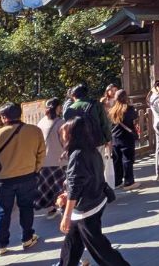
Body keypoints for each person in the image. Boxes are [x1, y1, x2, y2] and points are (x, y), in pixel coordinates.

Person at [57, 116, 130, 266]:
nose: (62, 135)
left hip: (85, 208)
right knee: (72, 243)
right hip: (95, 199)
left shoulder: (77, 155)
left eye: (65, 132)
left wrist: (66, 215)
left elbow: (75, 186)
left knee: (99, 248)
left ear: (73, 134)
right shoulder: (91, 149)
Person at [0, 102, 45, 256]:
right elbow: (41, 153)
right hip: (27, 176)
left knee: (3, 212)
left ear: (3, 117)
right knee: (26, 207)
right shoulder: (35, 131)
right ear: (20, 114)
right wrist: (35, 169)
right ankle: (27, 238)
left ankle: (0, 245)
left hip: (3, 180)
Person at [63, 83, 114, 190]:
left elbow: (67, 129)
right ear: (86, 94)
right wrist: (108, 140)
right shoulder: (96, 104)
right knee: (98, 166)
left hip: (78, 144)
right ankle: (99, 189)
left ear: (74, 95)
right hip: (97, 141)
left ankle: (87, 190)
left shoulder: (70, 109)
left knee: (83, 168)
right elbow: (104, 124)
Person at [35, 99, 68, 215]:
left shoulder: (40, 122)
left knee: (47, 187)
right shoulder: (61, 122)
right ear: (58, 108)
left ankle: (50, 210)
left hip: (44, 161)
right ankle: (64, 210)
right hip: (60, 160)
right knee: (61, 187)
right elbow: (65, 142)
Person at [108, 89, 139, 188]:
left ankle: (117, 181)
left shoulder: (112, 110)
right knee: (127, 159)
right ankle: (129, 182)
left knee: (117, 160)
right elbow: (134, 117)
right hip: (126, 137)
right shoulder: (129, 109)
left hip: (115, 137)